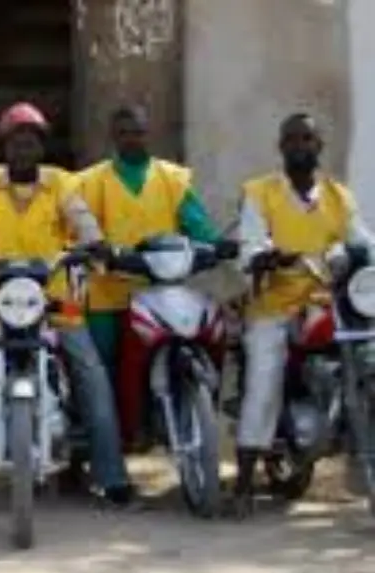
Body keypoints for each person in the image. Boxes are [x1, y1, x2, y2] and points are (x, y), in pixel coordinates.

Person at [0, 102, 136, 521]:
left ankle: (113, 479)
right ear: (3, 147)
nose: (24, 149)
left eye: (32, 142)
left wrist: (93, 240)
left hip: (56, 304)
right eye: (16, 142)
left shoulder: (61, 184)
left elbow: (82, 219)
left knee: (92, 377)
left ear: (42, 147)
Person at [233, 112, 375, 517]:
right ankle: (243, 483)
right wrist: (263, 256)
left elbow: (362, 239)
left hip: (330, 304)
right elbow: (249, 242)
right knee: (264, 378)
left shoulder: (338, 196)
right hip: (275, 305)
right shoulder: (260, 192)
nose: (300, 146)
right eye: (292, 139)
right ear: (281, 147)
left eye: (307, 139)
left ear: (319, 146)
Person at [79, 104, 223, 448]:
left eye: (138, 132)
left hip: (163, 289)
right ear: (113, 137)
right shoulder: (91, 182)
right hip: (108, 291)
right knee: (99, 371)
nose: (132, 139)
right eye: (124, 132)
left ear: (149, 133)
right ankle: (94, 445)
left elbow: (200, 225)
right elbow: (80, 230)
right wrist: (95, 250)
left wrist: (216, 246)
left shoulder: (173, 179)